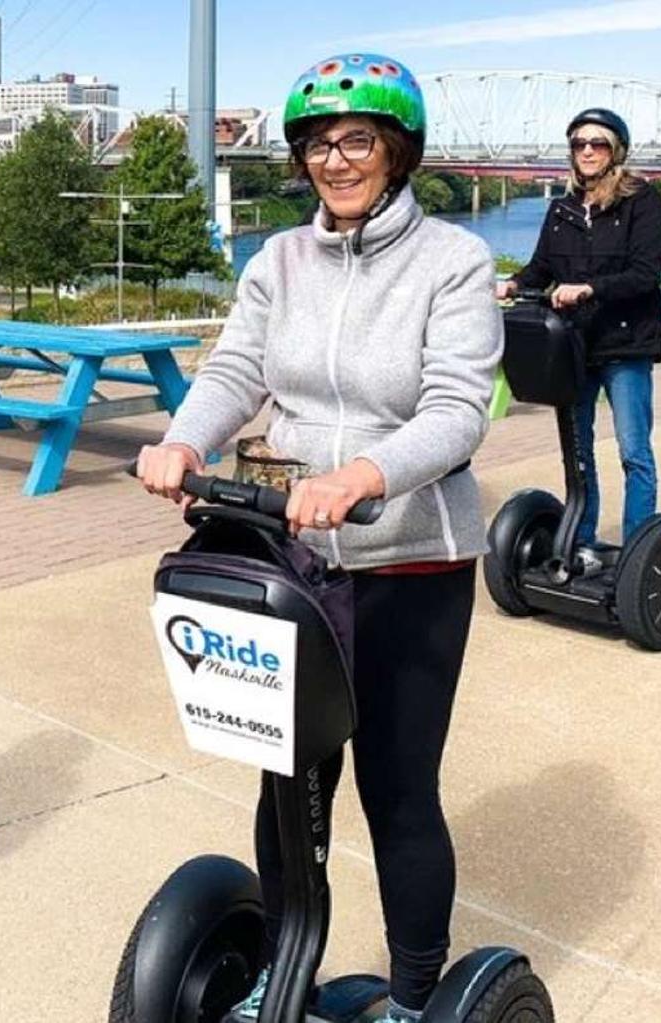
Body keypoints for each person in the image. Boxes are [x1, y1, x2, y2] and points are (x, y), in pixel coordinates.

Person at [135, 53, 501, 1023]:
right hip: (291, 559)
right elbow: (235, 370)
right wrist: (183, 440)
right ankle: (279, 975)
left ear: (396, 152)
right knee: (289, 783)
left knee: (397, 789)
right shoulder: (280, 261)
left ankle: (414, 996)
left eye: (356, 140)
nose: (334, 160)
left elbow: (458, 409)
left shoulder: (453, 262)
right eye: (317, 145)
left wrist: (362, 475)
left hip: (408, 558)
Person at [496, 107, 661, 552]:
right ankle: (584, 541)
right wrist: (512, 283)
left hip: (625, 343)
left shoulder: (642, 202)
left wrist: (589, 288)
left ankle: (637, 551)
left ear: (617, 151)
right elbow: (541, 267)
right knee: (577, 451)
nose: (588, 151)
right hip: (574, 344)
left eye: (598, 144)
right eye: (579, 144)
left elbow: (645, 274)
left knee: (633, 451)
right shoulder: (563, 208)